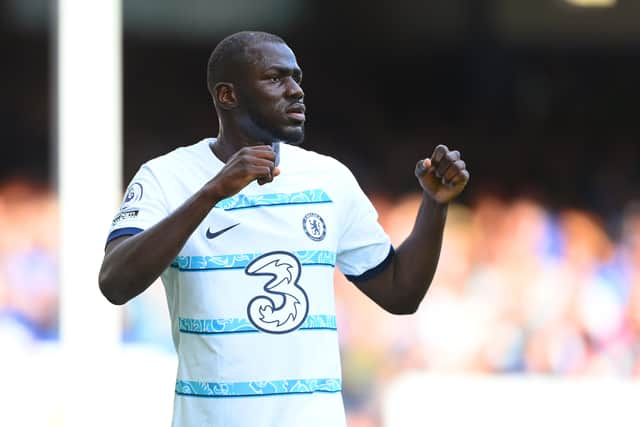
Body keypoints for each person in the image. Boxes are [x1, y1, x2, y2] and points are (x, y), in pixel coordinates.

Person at [99, 31, 469, 427]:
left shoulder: (329, 179)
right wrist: (211, 194)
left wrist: (435, 205)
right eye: (276, 78)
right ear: (228, 95)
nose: (295, 91)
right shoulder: (166, 177)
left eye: (296, 78)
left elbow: (400, 292)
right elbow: (114, 282)